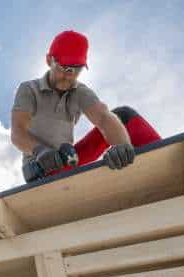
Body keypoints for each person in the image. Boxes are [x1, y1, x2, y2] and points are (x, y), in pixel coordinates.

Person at [11, 30, 162, 182]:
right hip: (42, 168)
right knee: (53, 158)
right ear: (49, 60)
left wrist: (121, 145)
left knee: (123, 115)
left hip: (68, 160)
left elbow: (103, 117)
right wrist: (40, 150)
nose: (69, 76)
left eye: (76, 70)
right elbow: (18, 132)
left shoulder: (79, 91)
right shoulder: (29, 89)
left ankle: (162, 162)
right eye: (64, 68)